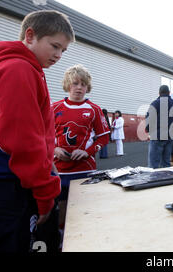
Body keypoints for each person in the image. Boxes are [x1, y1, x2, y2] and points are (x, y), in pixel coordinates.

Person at [0, 10, 74, 252]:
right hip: (2, 182)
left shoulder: (30, 70)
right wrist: (46, 192)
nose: (58, 55)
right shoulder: (18, 70)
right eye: (54, 46)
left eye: (63, 51)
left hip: (8, 179)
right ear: (30, 35)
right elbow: (22, 140)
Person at [52, 64, 110, 239]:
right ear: (67, 84)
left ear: (88, 87)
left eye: (83, 84)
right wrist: (53, 148)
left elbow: (103, 137)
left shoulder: (94, 109)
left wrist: (88, 151)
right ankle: (62, 240)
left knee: (84, 208)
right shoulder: (53, 107)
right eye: (75, 83)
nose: (79, 87)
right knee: (61, 207)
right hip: (58, 170)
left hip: (85, 169)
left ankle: (84, 240)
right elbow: (41, 135)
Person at [145, 85, 173, 168]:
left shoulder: (155, 103)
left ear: (159, 93)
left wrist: (148, 130)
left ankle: (154, 179)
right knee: (166, 162)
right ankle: (167, 178)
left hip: (157, 135)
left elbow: (149, 118)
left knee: (153, 164)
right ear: (169, 93)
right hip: (170, 136)